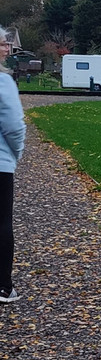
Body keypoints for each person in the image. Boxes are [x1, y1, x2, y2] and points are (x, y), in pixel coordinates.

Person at [0, 27, 26, 302]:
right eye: (4, 44)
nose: (8, 48)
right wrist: (16, 154)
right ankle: (3, 285)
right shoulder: (3, 82)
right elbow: (14, 126)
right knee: (2, 223)